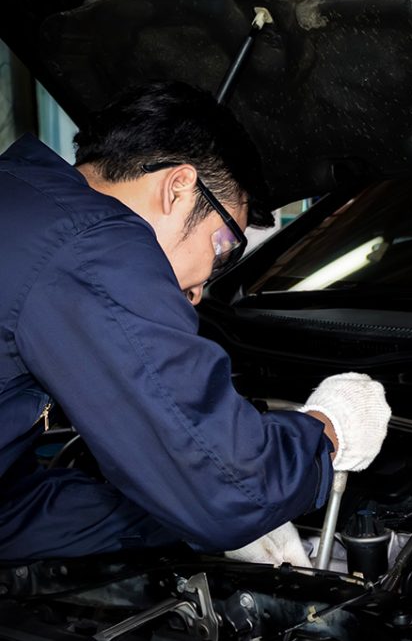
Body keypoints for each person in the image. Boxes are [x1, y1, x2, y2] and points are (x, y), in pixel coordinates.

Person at [0, 81, 390, 565]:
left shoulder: (22, 198)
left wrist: (175, 522)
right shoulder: (90, 246)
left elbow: (10, 514)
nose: (204, 286)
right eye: (225, 247)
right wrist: (328, 431)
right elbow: (232, 488)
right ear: (178, 187)